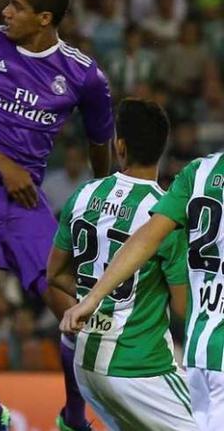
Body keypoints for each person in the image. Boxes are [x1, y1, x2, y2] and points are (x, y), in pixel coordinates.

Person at [0, 0, 114, 431]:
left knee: (78, 311)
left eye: (16, 5)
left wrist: (102, 205)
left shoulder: (83, 75)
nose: (5, 11)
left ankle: (74, 417)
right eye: (8, 1)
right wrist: (5, 165)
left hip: (24, 203)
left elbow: (101, 145)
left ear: (44, 18)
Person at [48, 99, 197, 430]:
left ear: (120, 146)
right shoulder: (164, 215)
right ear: (162, 148)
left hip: (86, 368)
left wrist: (97, 298)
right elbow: (184, 308)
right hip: (140, 370)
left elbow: (54, 273)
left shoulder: (84, 194)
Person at [61, 141, 224, 429]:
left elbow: (145, 237)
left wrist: (91, 298)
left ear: (118, 145)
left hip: (202, 350)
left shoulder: (199, 172)